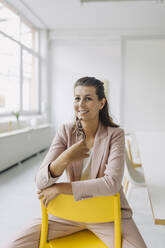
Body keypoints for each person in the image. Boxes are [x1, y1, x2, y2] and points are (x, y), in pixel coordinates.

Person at [6, 77, 147, 248]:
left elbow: (112, 183)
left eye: (88, 98)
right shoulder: (65, 131)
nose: (81, 104)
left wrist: (60, 188)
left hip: (107, 214)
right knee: (15, 245)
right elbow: (40, 182)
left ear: (101, 103)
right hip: (69, 213)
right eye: (77, 98)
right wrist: (66, 157)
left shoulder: (115, 135)